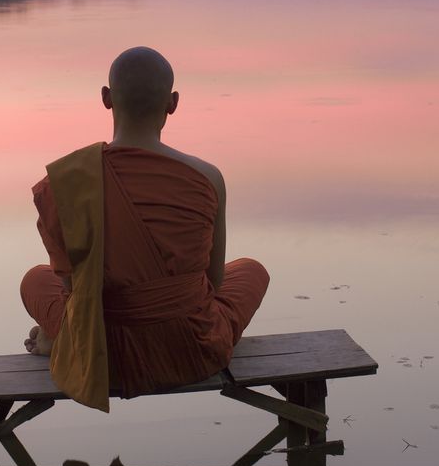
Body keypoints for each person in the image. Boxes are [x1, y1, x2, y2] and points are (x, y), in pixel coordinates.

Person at [19, 46, 269, 410]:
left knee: (34, 280)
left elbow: (74, 289)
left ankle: (60, 342)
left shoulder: (66, 182)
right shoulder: (207, 177)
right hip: (193, 351)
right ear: (173, 103)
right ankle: (65, 339)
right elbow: (214, 283)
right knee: (251, 272)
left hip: (103, 355)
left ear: (106, 98)